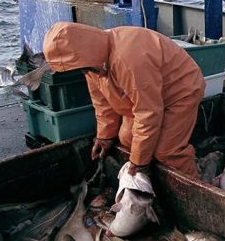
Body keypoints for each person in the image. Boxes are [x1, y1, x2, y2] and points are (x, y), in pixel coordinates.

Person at [42, 22, 206, 178]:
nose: (80, 71)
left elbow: (148, 112)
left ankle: (195, 190)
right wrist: (105, 136)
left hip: (180, 92)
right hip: (144, 98)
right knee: (127, 139)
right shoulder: (91, 63)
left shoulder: (128, 60)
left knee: (167, 152)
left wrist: (139, 163)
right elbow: (102, 102)